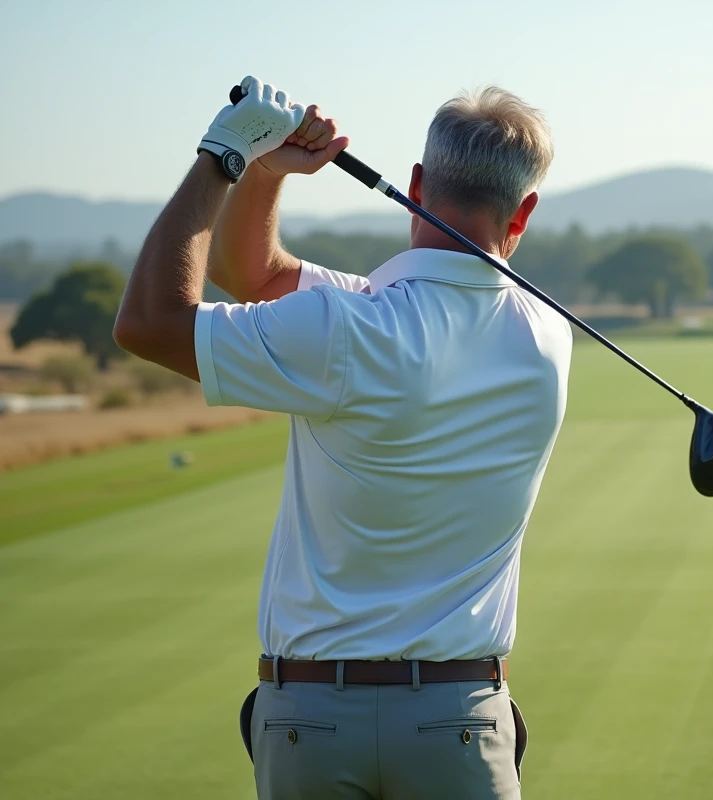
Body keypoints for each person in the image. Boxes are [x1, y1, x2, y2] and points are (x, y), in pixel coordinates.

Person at [114, 76, 571, 799]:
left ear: (416, 184)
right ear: (526, 212)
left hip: (312, 722)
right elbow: (257, 275)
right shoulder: (548, 338)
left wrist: (228, 156)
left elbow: (148, 321)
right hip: (462, 721)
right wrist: (270, 174)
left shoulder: (348, 328)